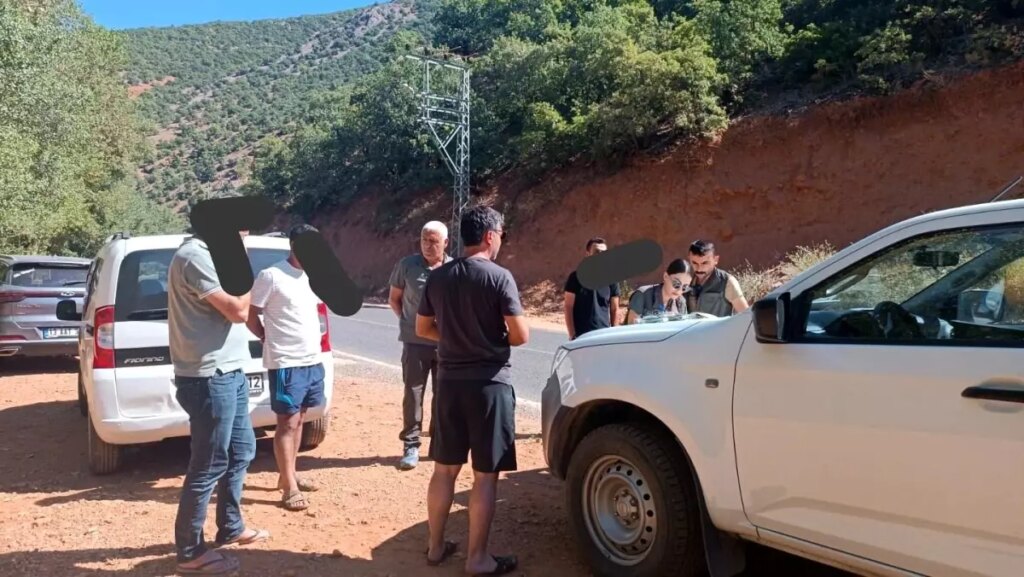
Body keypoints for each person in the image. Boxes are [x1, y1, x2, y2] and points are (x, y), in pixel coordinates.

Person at [415, 205, 529, 576]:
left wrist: (454, 339)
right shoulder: (499, 277)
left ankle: (435, 547)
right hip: (489, 386)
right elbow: (521, 335)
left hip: (448, 383)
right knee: (485, 475)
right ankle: (477, 558)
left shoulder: (438, 277)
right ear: (490, 236)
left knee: (444, 470)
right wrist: (488, 340)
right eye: (501, 236)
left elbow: (422, 329)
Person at [168, 228, 269, 575]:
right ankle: (190, 551)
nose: (246, 232)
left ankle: (230, 525)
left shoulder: (211, 254)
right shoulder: (195, 255)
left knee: (242, 450)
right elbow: (239, 310)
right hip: (209, 377)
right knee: (209, 463)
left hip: (230, 371)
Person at [246, 224, 326, 512]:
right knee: (287, 422)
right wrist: (264, 336)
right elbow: (250, 313)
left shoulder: (312, 276)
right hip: (286, 362)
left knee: (301, 418)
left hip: (311, 359)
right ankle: (289, 487)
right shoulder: (271, 276)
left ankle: (288, 474)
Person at [388, 220, 452, 470]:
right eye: (424, 239)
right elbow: (394, 299)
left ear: (445, 243)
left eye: (433, 241)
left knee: (443, 394)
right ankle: (411, 444)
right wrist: (409, 323)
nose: (427, 245)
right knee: (413, 393)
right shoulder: (407, 265)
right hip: (414, 343)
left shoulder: (454, 268)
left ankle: (438, 442)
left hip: (445, 344)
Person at [563, 237, 621, 339]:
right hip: (581, 336)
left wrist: (614, 335)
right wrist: (572, 335)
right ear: (587, 254)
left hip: (604, 334)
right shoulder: (575, 277)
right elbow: (568, 307)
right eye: (597, 251)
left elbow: (615, 309)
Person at [686, 239, 749, 316]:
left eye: (705, 263)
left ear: (715, 260)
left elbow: (746, 314)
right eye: (694, 263)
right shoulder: (686, 282)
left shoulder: (727, 282)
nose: (699, 268)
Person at [626, 258, 694, 324]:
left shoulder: (681, 302)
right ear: (665, 276)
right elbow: (632, 328)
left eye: (685, 287)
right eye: (676, 284)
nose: (679, 291)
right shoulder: (642, 295)